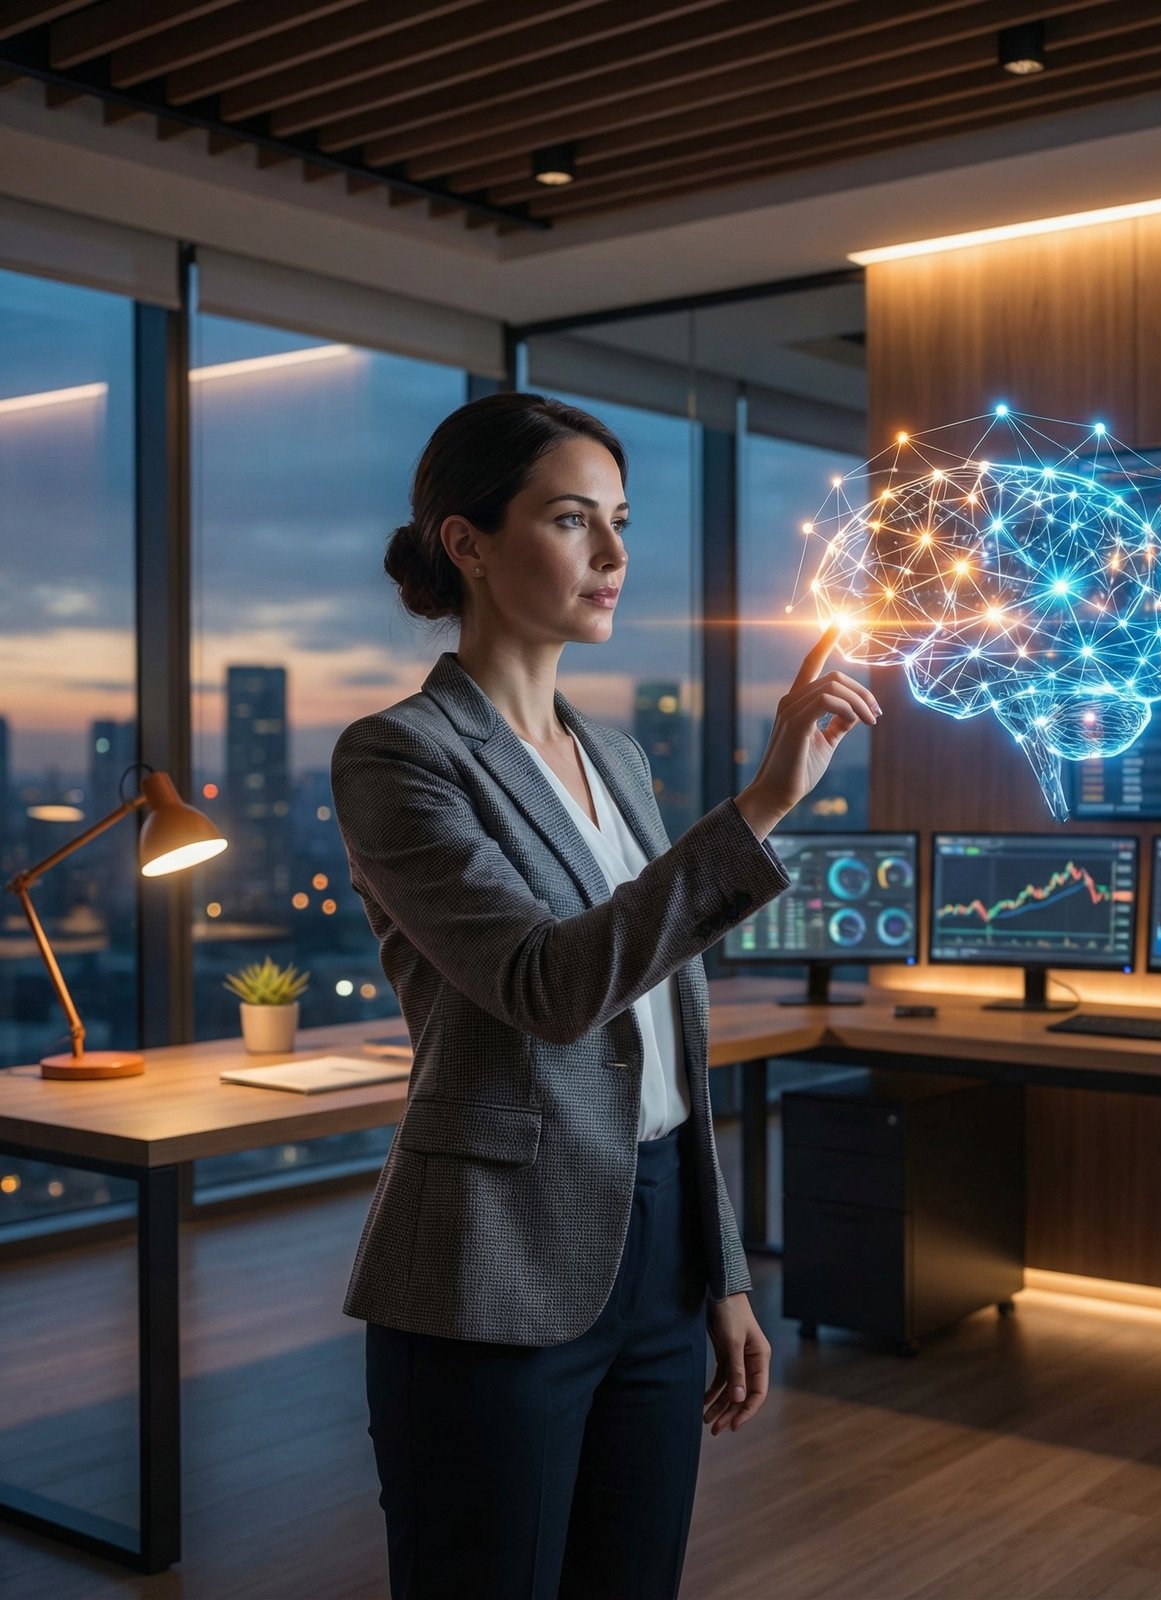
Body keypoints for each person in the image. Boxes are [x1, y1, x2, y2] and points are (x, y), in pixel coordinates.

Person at [329, 391, 880, 1600]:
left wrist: (721, 1271)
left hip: (658, 1248)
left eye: (620, 520)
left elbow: (666, 1041)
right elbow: (549, 983)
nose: (614, 553)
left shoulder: (617, 756)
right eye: (573, 519)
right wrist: (762, 805)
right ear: (468, 543)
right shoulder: (399, 754)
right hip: (491, 1265)